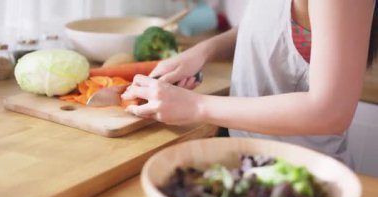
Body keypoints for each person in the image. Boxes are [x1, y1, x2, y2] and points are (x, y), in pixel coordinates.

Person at [121, 0, 377, 165]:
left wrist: (196, 106)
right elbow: (268, 24)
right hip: (246, 162)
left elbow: (331, 111)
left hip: (298, 178)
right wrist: (202, 51)